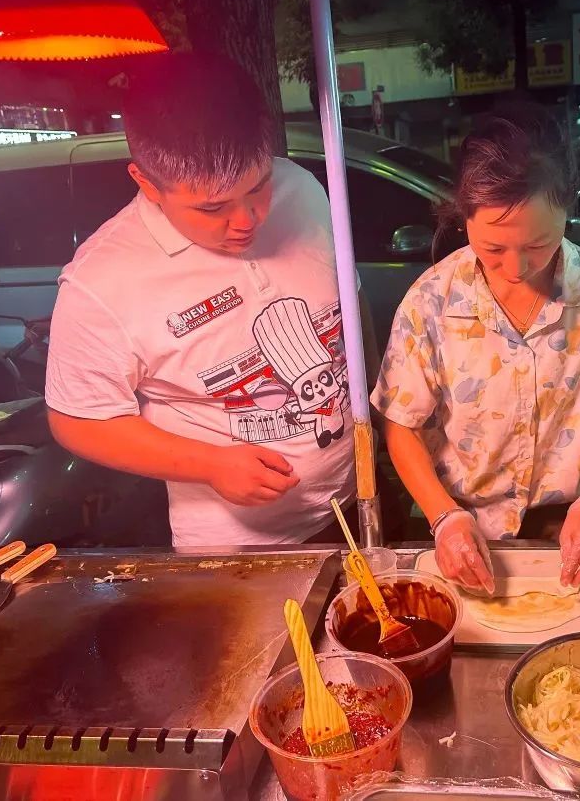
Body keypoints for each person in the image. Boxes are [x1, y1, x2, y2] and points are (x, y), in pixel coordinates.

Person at [46, 52, 375, 546]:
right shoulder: (101, 281)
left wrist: (377, 408)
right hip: (237, 546)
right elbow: (78, 419)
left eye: (258, 186)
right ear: (146, 183)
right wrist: (211, 464)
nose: (247, 220)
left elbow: (350, 305)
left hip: (354, 501)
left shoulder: (302, 190)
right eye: (213, 207)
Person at [371, 104, 580, 594]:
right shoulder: (431, 301)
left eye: (539, 244)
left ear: (568, 207)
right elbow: (401, 424)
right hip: (461, 522)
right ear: (464, 218)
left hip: (567, 526)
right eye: (493, 249)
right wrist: (443, 517)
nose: (515, 268)